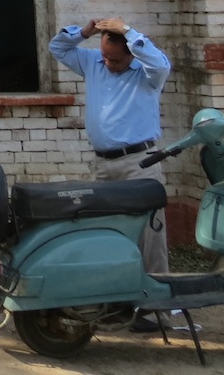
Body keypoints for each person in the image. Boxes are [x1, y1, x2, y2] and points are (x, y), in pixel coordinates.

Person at [50, 17, 173, 331]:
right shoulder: (94, 61)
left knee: (149, 235)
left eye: (114, 58)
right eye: (104, 55)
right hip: (104, 165)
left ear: (130, 52)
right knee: (107, 233)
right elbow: (57, 47)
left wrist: (131, 32)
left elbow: (160, 63)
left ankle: (155, 309)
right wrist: (86, 32)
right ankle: (117, 300)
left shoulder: (148, 73)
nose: (107, 63)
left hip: (139, 163)